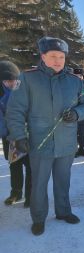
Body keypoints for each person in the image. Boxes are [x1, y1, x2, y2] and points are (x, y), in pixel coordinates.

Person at [6, 36, 84, 236]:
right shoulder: (27, 78)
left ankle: (63, 212)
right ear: (43, 56)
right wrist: (19, 136)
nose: (57, 60)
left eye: (61, 57)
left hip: (66, 143)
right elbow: (15, 110)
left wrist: (77, 114)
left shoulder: (74, 81)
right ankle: (38, 219)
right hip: (38, 142)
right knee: (39, 183)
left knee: (63, 180)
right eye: (53, 56)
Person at [1, 61, 32, 208]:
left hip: (28, 135)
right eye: (7, 81)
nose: (11, 83)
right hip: (10, 137)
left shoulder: (25, 90)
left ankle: (30, 196)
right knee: (14, 166)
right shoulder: (2, 95)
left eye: (13, 80)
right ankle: (16, 192)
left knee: (31, 166)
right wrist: (6, 133)